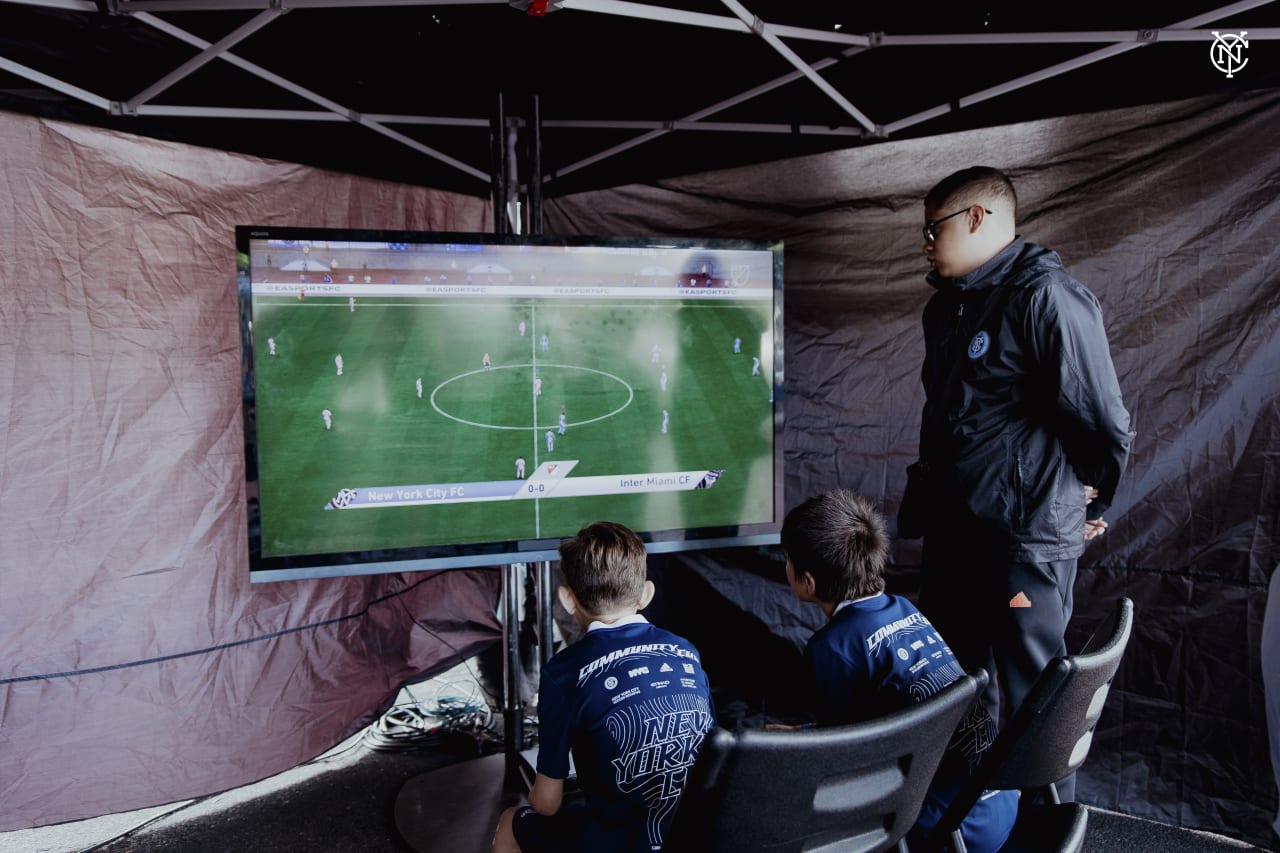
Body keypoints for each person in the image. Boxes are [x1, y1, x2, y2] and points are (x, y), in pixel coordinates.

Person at [903, 166, 1134, 764]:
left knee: (1034, 700)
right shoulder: (947, 310)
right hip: (955, 534)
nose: (925, 244)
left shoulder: (1045, 297)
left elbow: (1102, 418)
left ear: (976, 219)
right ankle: (959, 825)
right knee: (948, 689)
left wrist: (1090, 498)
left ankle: (1044, 831)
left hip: (1022, 542)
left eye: (933, 230)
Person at [781, 489, 1017, 852]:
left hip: (949, 830)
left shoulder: (832, 648)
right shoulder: (904, 608)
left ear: (807, 581)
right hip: (998, 806)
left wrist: (794, 745)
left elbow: (839, 759)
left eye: (788, 560)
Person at [490, 521, 715, 853]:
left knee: (512, 820)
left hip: (621, 841)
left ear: (567, 599)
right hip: (703, 834)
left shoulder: (563, 672)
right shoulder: (686, 650)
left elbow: (546, 805)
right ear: (646, 594)